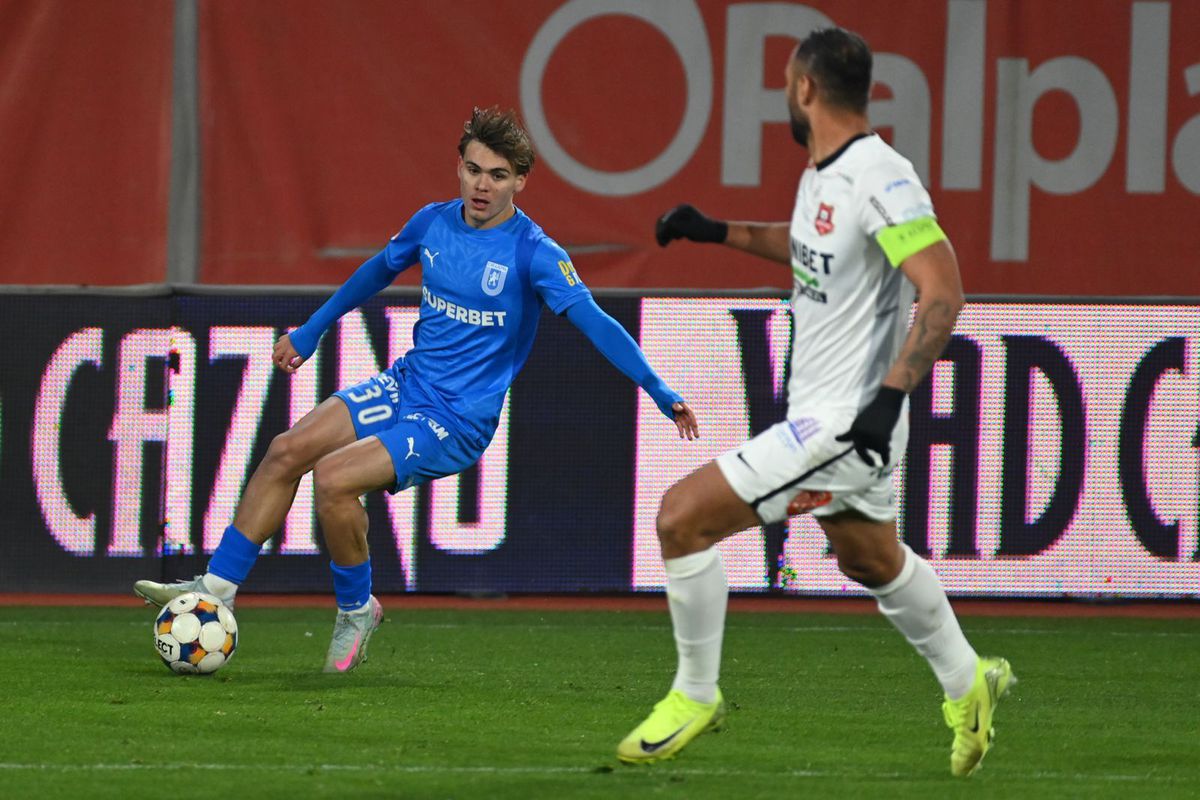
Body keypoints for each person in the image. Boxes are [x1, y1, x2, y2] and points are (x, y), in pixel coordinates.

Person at [136, 106, 699, 673]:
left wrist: (657, 388)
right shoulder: (432, 223)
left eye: (498, 175)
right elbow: (378, 271)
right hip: (407, 383)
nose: (482, 185)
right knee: (287, 450)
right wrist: (311, 330)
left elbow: (596, 322)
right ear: (459, 167)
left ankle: (357, 610)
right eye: (474, 170)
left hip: (457, 419)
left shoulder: (535, 253)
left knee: (333, 480)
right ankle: (216, 589)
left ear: (521, 181)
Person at [617, 28, 1013, 777]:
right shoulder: (825, 173)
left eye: (785, 84)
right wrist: (717, 232)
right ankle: (970, 680)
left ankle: (695, 694)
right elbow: (808, 248)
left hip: (844, 422)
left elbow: (943, 290)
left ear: (805, 88)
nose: (784, 96)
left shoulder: (881, 175)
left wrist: (888, 399)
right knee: (869, 557)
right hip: (834, 415)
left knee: (680, 518)